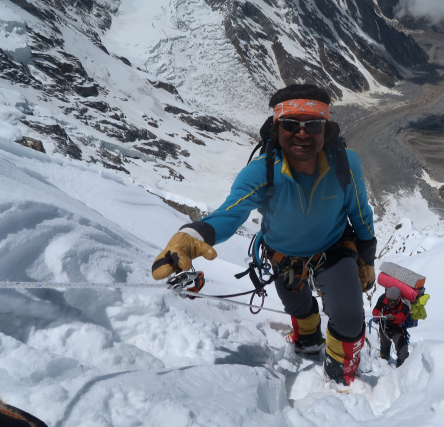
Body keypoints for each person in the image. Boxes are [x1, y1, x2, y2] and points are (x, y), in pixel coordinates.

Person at [151, 83, 377, 386]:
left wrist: (366, 258)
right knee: (297, 306)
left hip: (333, 249)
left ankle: (341, 374)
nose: (302, 133)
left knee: (349, 318)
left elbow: (360, 213)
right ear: (276, 127)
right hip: (285, 254)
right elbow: (231, 212)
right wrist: (193, 234)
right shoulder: (263, 171)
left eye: (312, 124)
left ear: (326, 128)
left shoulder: (345, 164)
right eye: (290, 124)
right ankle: (308, 340)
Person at [372, 287, 410, 367]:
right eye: (389, 301)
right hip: (384, 327)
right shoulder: (383, 298)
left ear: (399, 299)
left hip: (398, 329)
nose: (391, 303)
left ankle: (402, 366)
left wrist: (393, 318)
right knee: (384, 346)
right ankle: (383, 363)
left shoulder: (405, 304)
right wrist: (378, 313)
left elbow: (402, 317)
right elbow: (375, 309)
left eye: (394, 302)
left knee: (402, 350)